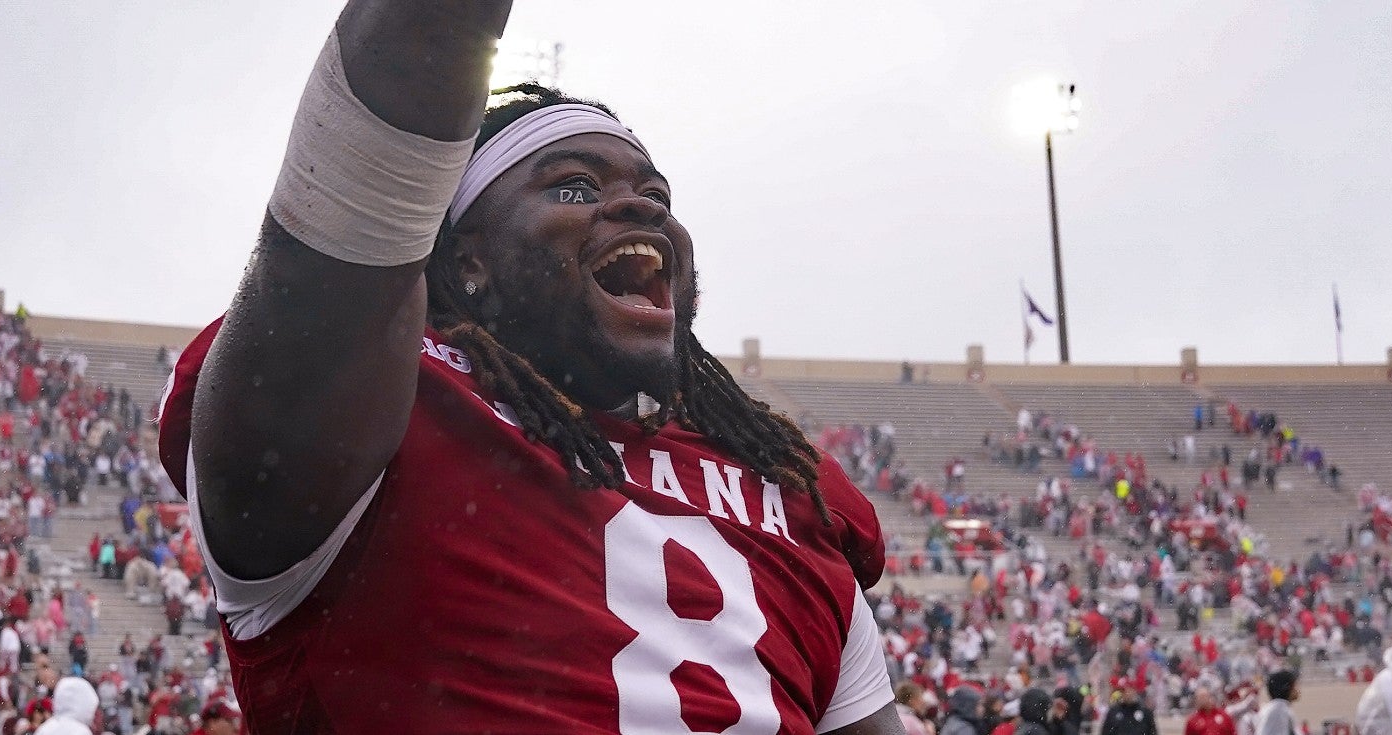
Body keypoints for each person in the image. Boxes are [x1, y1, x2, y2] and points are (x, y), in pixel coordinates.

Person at [161, 1, 896, 733]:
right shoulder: (386, 402)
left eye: (654, 195)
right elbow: (370, 155)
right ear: (467, 259)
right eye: (574, 186)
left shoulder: (793, 487)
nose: (638, 209)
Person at [1254, 670, 1298, 735]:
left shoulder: (1277, 707)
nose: (1297, 689)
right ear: (1287, 688)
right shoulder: (1278, 710)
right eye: (1295, 685)